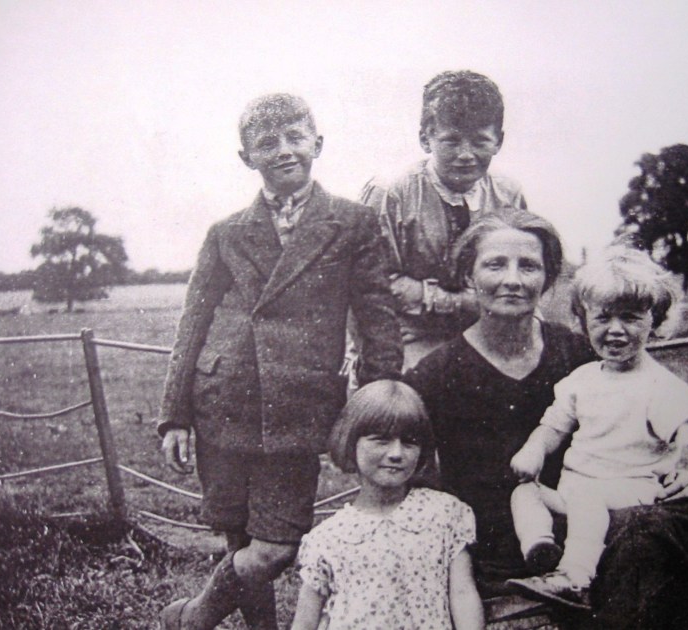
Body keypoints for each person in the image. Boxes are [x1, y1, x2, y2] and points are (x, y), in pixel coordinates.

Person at [404, 207, 688, 628]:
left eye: (529, 266)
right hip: (497, 552)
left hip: (605, 533)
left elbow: (643, 413)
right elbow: (412, 485)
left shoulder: (581, 354)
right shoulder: (434, 375)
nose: (512, 279)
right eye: (494, 264)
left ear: (547, 278)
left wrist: (670, 470)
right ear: (468, 276)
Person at [156, 93, 402, 630]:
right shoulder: (225, 232)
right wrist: (175, 414)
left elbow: (377, 314)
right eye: (267, 143)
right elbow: (193, 323)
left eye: (295, 137)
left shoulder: (353, 223)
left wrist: (383, 399)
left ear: (318, 143)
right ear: (247, 157)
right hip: (223, 400)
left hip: (299, 408)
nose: (284, 151)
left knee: (276, 548)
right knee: (239, 538)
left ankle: (194, 616)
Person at [506, 246, 688, 610]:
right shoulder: (582, 379)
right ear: (583, 321)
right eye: (602, 317)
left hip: (630, 493)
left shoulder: (658, 387)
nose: (615, 330)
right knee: (525, 492)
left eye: (630, 317)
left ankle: (573, 580)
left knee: (589, 501)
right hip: (576, 494)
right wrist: (533, 450)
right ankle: (541, 552)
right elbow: (552, 426)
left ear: (654, 321)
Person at [360, 70, 527, 370]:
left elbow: (525, 266)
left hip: (488, 331)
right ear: (426, 138)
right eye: (451, 141)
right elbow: (374, 281)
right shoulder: (391, 193)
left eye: (479, 141)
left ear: (498, 141)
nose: (466, 154)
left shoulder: (508, 195)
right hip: (408, 334)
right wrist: (460, 302)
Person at [291, 380, 484, 630]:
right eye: (381, 440)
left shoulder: (445, 514)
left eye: (409, 442)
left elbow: (462, 594)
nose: (396, 453)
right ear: (351, 443)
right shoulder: (328, 538)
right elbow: (304, 624)